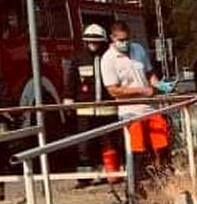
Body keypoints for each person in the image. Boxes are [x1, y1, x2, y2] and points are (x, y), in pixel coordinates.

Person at [101, 21, 173, 183]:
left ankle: (165, 179)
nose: (125, 43)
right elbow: (113, 90)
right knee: (137, 149)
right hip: (130, 111)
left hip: (150, 108)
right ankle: (138, 185)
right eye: (121, 40)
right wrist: (141, 90)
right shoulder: (108, 59)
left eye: (127, 39)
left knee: (162, 145)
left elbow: (149, 73)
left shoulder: (138, 49)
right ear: (112, 38)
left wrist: (159, 85)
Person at [63, 24, 119, 188]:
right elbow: (71, 81)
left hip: (108, 111)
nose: (93, 44)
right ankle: (85, 178)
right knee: (84, 145)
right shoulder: (79, 59)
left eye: (96, 41)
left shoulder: (109, 57)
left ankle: (109, 174)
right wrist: (68, 99)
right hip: (85, 111)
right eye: (90, 41)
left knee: (109, 143)